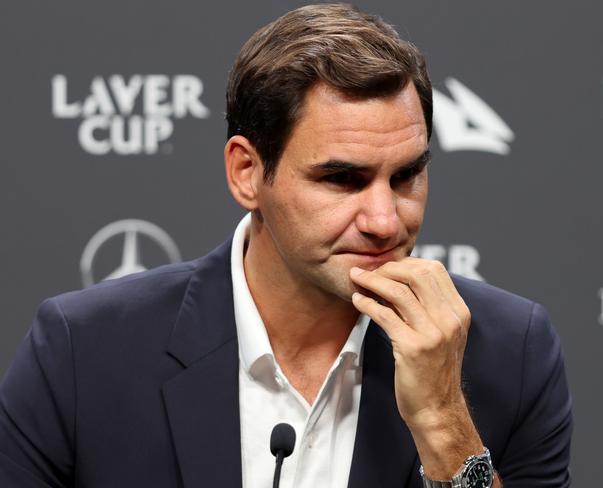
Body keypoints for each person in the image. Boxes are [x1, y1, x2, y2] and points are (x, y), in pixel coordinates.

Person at [0, 4, 572, 488]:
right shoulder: (81, 351)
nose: (384, 219)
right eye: (341, 179)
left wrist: (446, 422)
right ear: (248, 172)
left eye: (406, 176)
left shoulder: (510, 353)